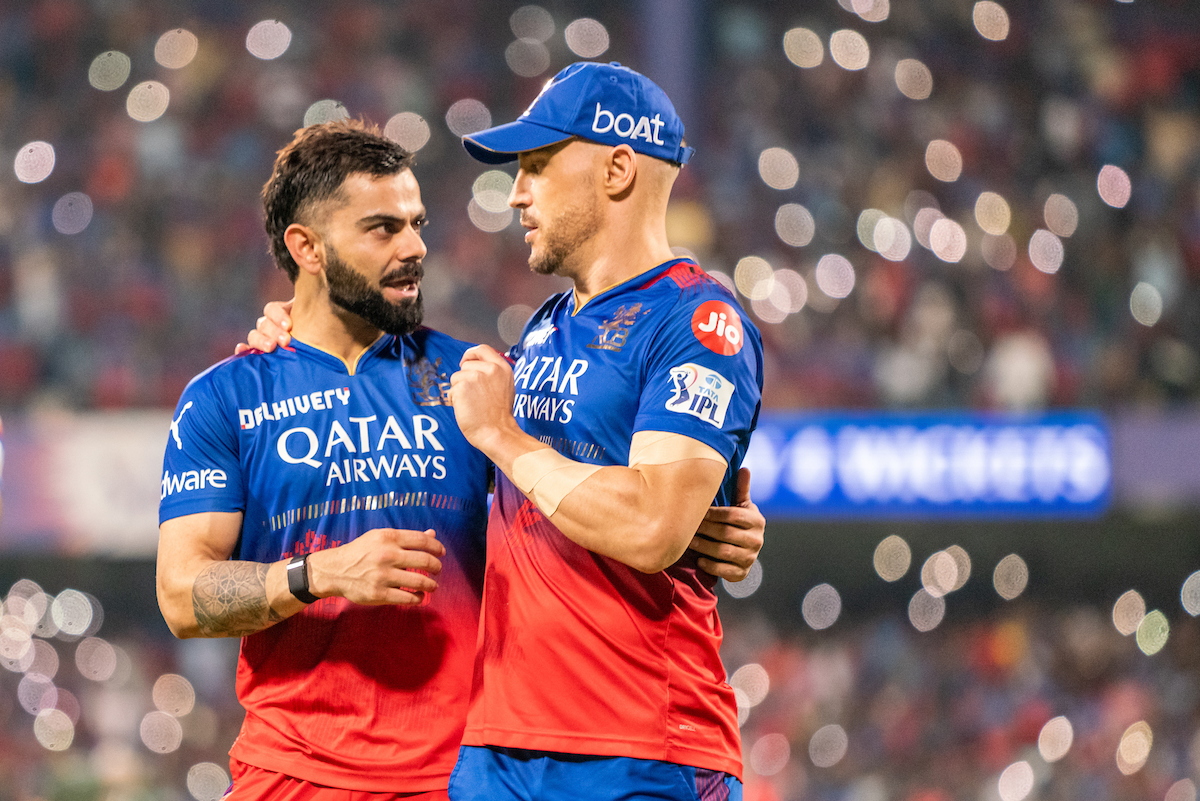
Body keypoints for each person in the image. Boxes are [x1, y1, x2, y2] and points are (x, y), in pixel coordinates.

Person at [173, 118, 765, 800]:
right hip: (289, 776)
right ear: (307, 247)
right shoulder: (225, 398)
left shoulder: (478, 382)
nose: (415, 247)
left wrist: (710, 520)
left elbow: (587, 483)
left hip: (464, 775)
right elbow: (183, 595)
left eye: (416, 224)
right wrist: (318, 573)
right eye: (382, 229)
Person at [448, 61, 764, 801]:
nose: (516, 192)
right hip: (498, 748)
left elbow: (654, 524)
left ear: (618, 168)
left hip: (636, 750)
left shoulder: (697, 321)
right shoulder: (547, 324)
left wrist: (504, 438)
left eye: (536, 166)